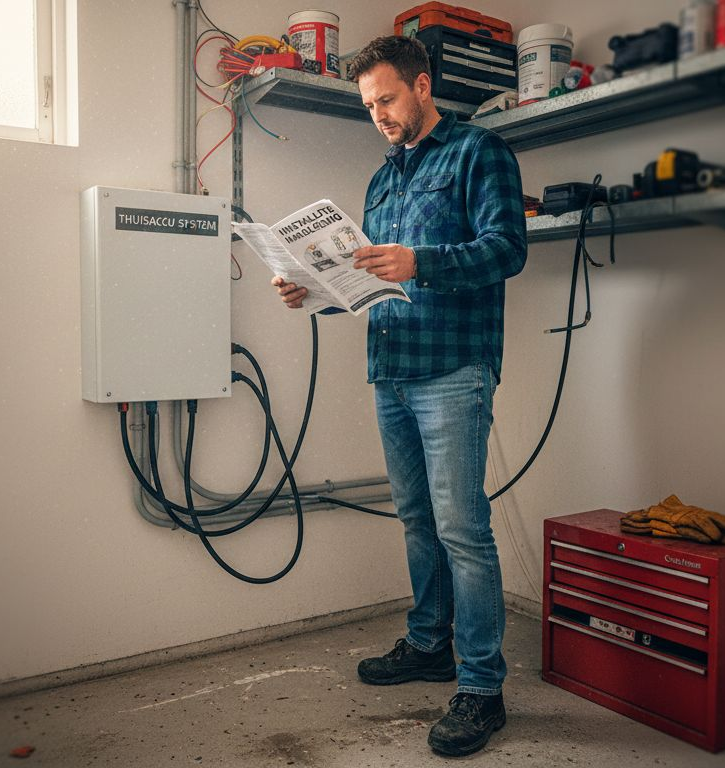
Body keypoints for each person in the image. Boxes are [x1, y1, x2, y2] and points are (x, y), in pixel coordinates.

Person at [271, 35, 527, 757]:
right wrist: (312, 292)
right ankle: (429, 646)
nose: (377, 114)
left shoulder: (480, 152)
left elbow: (508, 248)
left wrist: (425, 261)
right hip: (391, 366)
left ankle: (482, 688)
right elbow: (371, 281)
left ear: (420, 86)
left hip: (453, 367)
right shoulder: (381, 180)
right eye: (368, 105)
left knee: (462, 530)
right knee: (417, 521)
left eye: (385, 98)